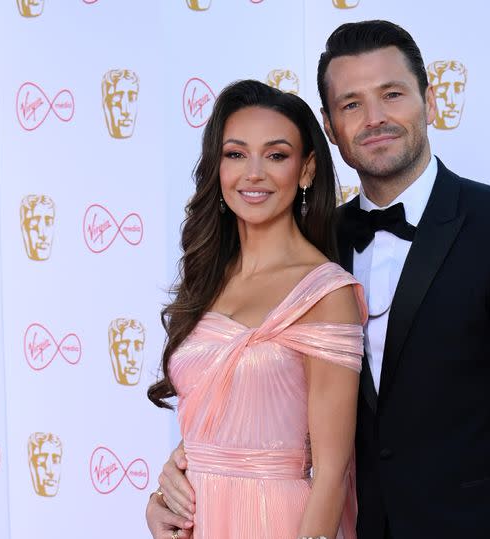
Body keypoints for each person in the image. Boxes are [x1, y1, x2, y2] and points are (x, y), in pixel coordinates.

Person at [150, 20, 490, 538]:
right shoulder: (315, 248)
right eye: (351, 104)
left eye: (392, 94)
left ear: (429, 99)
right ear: (330, 129)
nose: (375, 118)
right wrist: (182, 473)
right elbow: (267, 397)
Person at [146, 79, 367, 539]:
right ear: (217, 167)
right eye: (235, 154)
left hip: (277, 521)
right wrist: (160, 504)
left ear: (306, 170)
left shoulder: (325, 293)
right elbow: (210, 427)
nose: (253, 173)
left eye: (276, 155)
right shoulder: (207, 279)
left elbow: (331, 472)